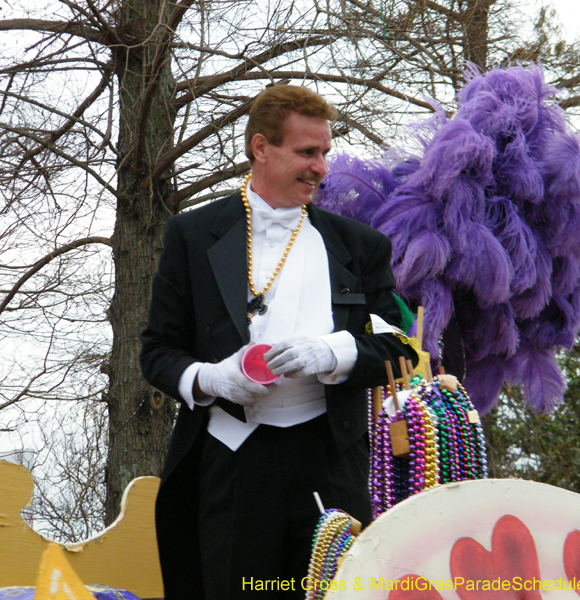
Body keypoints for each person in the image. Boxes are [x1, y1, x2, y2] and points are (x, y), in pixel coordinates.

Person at [140, 85, 417, 599]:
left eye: (325, 153)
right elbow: (157, 350)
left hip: (330, 461)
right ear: (261, 147)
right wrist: (210, 378)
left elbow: (399, 345)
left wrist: (338, 351)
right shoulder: (192, 235)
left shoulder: (361, 246)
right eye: (307, 153)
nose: (321, 168)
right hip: (231, 463)